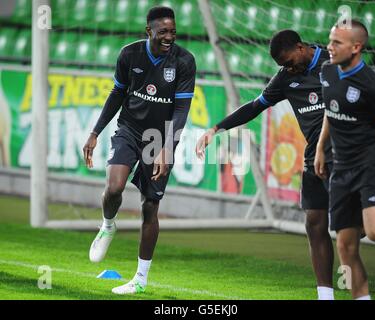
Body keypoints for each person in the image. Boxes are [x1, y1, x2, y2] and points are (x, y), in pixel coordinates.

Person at [196, 30, 339, 300]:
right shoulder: (286, 78)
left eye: (289, 62)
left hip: (346, 154)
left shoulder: (332, 64)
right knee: (314, 222)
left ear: (300, 47)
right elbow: (255, 106)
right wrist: (216, 128)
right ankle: (325, 296)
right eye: (282, 66)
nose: (287, 69)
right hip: (314, 157)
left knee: (356, 228)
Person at [83, 6, 196, 295]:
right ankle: (108, 224)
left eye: (173, 31)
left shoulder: (185, 61)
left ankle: (140, 280)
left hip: (160, 138)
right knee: (115, 187)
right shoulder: (129, 55)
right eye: (163, 32)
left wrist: (167, 149)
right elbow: (117, 94)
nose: (169, 37)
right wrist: (95, 132)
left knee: (150, 206)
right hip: (130, 130)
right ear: (149, 31)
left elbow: (182, 110)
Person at [315, 20, 375, 300]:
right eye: (330, 40)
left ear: (356, 47)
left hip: (371, 165)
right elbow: (331, 109)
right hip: (341, 167)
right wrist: (321, 147)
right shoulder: (327, 72)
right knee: (346, 247)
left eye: (337, 42)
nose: (329, 47)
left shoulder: (374, 87)